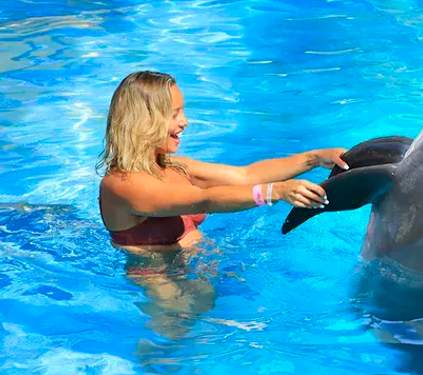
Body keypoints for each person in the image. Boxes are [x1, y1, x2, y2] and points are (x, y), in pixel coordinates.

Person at [98, 70, 349, 250]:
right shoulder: (122, 184)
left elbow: (246, 176)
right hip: (163, 285)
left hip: (202, 264)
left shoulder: (175, 167)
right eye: (174, 114)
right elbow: (203, 200)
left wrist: (313, 158)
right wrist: (275, 192)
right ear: (143, 121)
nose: (185, 122)